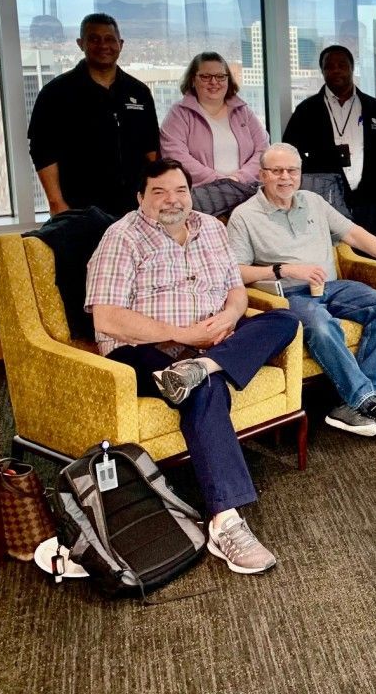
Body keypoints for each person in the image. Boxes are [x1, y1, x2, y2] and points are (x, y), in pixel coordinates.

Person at [85, 159, 300, 575]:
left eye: (180, 190)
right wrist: (184, 336)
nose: (172, 200)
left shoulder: (211, 229)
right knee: (205, 391)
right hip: (144, 350)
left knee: (285, 320)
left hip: (208, 343)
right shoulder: (121, 238)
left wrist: (227, 319)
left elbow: (236, 292)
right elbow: (106, 319)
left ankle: (203, 366)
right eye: (159, 192)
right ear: (140, 198)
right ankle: (226, 522)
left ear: (191, 191)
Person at [227, 144, 376, 442]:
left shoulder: (313, 202)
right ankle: (368, 404)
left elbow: (355, 234)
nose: (285, 178)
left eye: (292, 171)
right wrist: (284, 270)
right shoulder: (244, 216)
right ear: (261, 174)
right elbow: (236, 272)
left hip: (331, 286)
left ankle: (353, 404)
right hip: (288, 295)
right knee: (320, 324)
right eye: (276, 171)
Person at [28, 13, 159, 218]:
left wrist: (155, 196)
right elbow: (43, 152)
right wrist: (56, 203)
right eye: (94, 39)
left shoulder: (139, 92)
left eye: (109, 39)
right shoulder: (56, 93)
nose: (103, 45)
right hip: (81, 208)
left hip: (135, 206)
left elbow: (151, 149)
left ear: (120, 44)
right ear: (81, 44)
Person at [282, 44, 376, 240]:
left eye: (342, 65)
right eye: (329, 66)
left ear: (352, 68)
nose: (336, 70)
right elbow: (290, 152)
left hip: (367, 200)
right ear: (322, 71)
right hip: (324, 201)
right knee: (330, 256)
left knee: (370, 258)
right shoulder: (307, 110)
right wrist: (309, 185)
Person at [159, 51, 269, 217]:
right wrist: (219, 182)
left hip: (246, 191)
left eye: (220, 76)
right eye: (205, 76)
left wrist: (239, 179)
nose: (213, 82)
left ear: (228, 80)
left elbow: (263, 150)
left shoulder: (243, 110)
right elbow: (176, 157)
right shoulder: (179, 113)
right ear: (192, 80)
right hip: (203, 198)